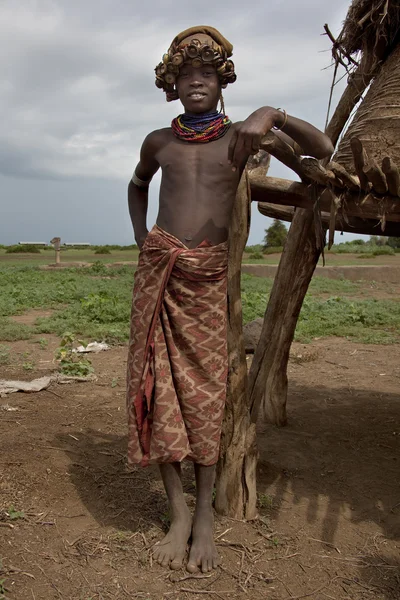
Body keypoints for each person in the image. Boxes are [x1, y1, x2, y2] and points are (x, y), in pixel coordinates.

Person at [126, 26, 333, 574]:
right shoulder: (159, 142)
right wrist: (141, 237)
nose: (196, 82)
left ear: (222, 83)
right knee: (158, 391)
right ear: (172, 83)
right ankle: (176, 513)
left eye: (207, 74)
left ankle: (205, 520)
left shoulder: (241, 138)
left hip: (207, 281)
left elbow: (324, 150)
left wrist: (273, 114)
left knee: (204, 398)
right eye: (186, 75)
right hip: (161, 275)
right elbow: (137, 183)